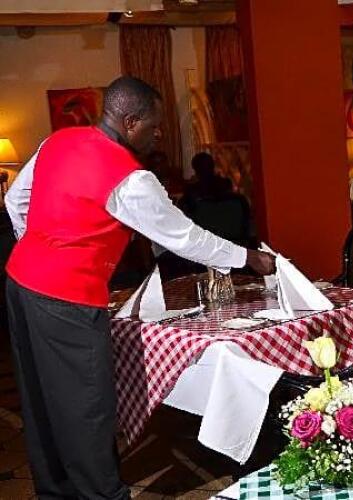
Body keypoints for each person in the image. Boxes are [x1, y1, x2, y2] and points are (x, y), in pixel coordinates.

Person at [4, 76, 276, 499]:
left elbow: (14, 201)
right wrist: (250, 258)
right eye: (154, 125)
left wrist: (40, 248)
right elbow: (186, 238)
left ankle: (55, 493)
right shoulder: (130, 178)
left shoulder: (57, 141)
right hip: (66, 296)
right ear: (130, 122)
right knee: (87, 406)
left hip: (20, 282)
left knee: (41, 399)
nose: (160, 133)